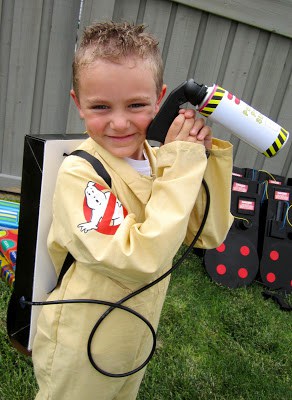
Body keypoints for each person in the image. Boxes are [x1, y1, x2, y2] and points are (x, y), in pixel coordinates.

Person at [32, 21, 233, 400]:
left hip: (136, 333)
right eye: (101, 107)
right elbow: (140, 256)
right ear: (78, 103)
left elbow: (206, 233)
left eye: (137, 105)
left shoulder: (162, 162)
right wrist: (182, 164)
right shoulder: (81, 173)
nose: (120, 122)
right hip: (82, 343)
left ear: (159, 100)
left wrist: (202, 162)